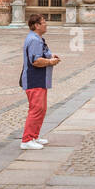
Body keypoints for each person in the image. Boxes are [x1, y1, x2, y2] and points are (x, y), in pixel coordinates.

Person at [19, 12, 61, 150]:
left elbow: (42, 53)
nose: (46, 24)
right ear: (37, 25)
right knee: (36, 109)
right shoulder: (34, 40)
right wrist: (50, 61)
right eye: (44, 22)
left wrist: (51, 55)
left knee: (41, 109)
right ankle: (26, 140)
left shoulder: (38, 38)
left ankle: (34, 136)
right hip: (34, 79)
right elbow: (35, 60)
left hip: (40, 79)